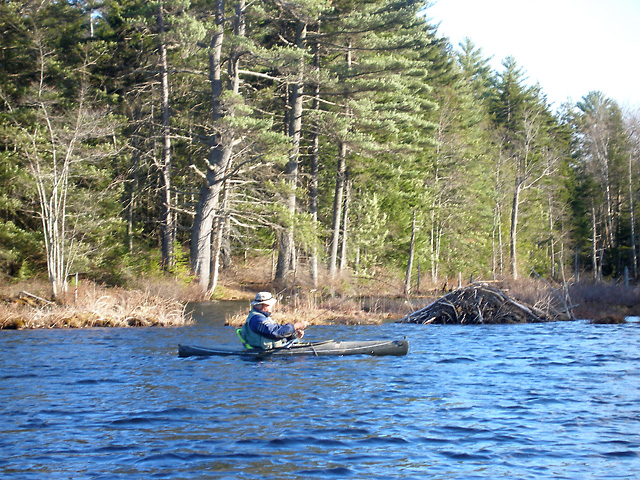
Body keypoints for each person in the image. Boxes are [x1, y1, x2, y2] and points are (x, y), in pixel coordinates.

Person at [239, 292, 307, 350]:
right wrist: (295, 326)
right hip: (261, 358)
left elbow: (276, 335)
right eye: (270, 305)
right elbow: (274, 332)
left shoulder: (263, 317)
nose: (272, 307)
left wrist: (293, 335)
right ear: (265, 305)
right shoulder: (257, 319)